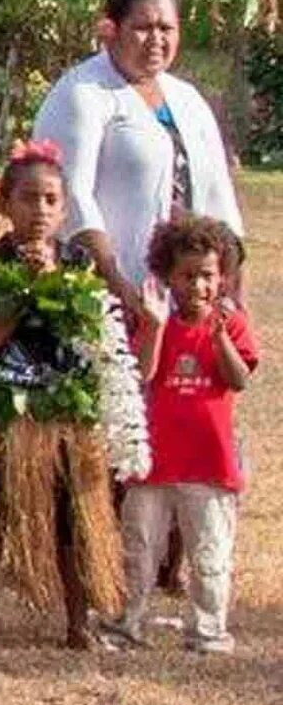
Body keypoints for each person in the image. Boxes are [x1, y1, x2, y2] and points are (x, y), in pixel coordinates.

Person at [0, 143, 126, 652]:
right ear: (4, 204)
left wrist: (57, 283)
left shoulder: (79, 262)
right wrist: (25, 285)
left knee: (74, 518)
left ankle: (77, 622)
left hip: (64, 409)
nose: (40, 211)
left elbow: (91, 332)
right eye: (28, 199)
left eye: (51, 200)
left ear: (65, 207)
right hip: (7, 409)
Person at [33, 0, 247, 314]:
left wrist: (230, 284)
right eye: (143, 27)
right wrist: (116, 283)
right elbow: (72, 197)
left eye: (167, 28)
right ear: (110, 30)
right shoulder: (81, 94)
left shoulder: (187, 99)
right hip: (111, 298)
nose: (156, 39)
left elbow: (219, 196)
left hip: (191, 300)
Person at [117, 215, 255, 653]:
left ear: (224, 277)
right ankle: (128, 622)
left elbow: (238, 380)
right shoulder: (155, 320)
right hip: (154, 462)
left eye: (208, 276)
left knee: (210, 554)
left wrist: (220, 341)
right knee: (139, 549)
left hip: (208, 465)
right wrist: (155, 326)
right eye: (187, 276)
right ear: (168, 277)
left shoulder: (230, 325)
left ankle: (208, 629)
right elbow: (144, 373)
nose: (198, 286)